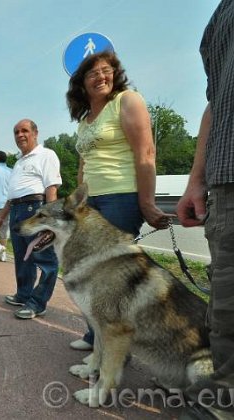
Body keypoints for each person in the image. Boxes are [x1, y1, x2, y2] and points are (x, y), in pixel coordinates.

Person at [65, 51, 171, 350]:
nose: (100, 76)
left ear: (115, 73)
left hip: (120, 197)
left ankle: (114, 349)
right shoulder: (85, 120)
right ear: (81, 83)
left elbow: (146, 152)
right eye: (92, 73)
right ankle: (95, 336)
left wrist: (147, 202)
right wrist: (78, 202)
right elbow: (84, 163)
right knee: (87, 270)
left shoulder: (127, 100)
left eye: (106, 70)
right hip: (91, 202)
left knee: (110, 277)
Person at [177, 1, 234, 418]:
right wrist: (196, 179)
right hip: (227, 176)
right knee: (225, 304)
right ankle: (222, 400)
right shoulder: (221, 17)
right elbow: (215, 101)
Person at [0, 119, 62, 320]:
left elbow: (51, 189)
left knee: (45, 258)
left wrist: (50, 220)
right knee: (23, 257)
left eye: (24, 131)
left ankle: (38, 303)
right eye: (16, 132)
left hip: (36, 209)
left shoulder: (46, 155)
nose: (20, 135)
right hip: (17, 209)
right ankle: (24, 294)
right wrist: (1, 216)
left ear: (35, 133)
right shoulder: (19, 162)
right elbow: (12, 195)